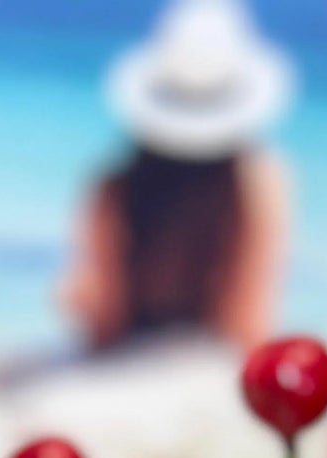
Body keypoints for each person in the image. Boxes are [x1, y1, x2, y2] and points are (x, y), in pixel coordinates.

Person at [61, 0, 295, 354]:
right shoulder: (260, 187)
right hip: (214, 372)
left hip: (126, 365)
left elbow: (105, 327)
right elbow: (247, 325)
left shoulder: (114, 189)